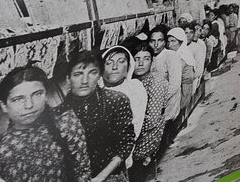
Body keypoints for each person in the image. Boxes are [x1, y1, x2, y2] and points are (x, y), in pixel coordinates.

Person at [0, 65, 92, 182]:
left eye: (37, 94)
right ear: (4, 106)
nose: (29, 105)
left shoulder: (66, 123)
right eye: (18, 99)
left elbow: (83, 173)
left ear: (46, 95)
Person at [60, 50, 136, 182]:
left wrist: (101, 177)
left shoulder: (116, 101)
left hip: (111, 175)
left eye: (92, 73)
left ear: (100, 75)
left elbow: (126, 142)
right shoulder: (60, 112)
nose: (85, 80)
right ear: (68, 78)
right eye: (78, 74)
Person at [101, 46, 148, 168]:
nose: (114, 67)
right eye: (108, 63)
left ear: (129, 66)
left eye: (121, 62)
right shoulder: (95, 92)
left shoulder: (134, 89)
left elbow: (134, 128)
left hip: (121, 158)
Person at [128, 43, 167, 182]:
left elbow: (151, 120)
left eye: (146, 59)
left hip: (145, 140)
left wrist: (125, 131)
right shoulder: (131, 81)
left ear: (152, 61)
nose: (140, 63)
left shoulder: (156, 82)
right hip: (134, 138)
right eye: (136, 58)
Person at [147, 25, 184, 150]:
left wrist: (159, 102)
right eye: (152, 41)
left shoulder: (171, 56)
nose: (156, 45)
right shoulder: (149, 57)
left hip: (168, 100)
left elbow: (175, 84)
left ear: (165, 42)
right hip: (154, 101)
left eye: (160, 40)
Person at [166, 27, 196, 125]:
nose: (170, 45)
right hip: (180, 90)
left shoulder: (182, 58)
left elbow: (177, 84)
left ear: (181, 42)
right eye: (169, 41)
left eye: (173, 41)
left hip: (183, 94)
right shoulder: (178, 54)